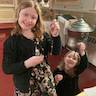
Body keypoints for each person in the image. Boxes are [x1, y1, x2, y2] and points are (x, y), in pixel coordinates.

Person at [2, 0, 61, 96]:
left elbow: (55, 52)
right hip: (25, 86)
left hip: (46, 81)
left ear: (37, 20)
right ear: (18, 15)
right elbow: (7, 68)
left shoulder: (43, 35)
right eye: (25, 14)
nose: (29, 20)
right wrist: (27, 63)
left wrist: (56, 36)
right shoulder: (12, 41)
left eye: (33, 17)